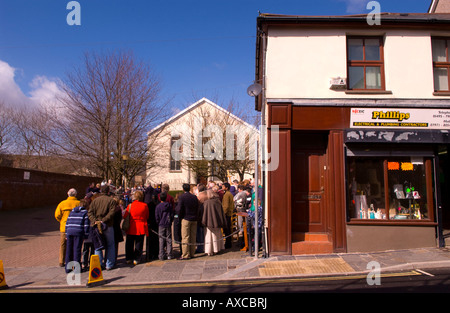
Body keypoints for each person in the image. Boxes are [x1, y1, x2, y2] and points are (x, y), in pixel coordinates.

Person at [88, 184, 117, 270]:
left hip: (96, 225)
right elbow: (112, 213)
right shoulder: (111, 201)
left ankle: (99, 264)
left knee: (98, 245)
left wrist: (95, 221)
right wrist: (103, 220)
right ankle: (109, 264)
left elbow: (90, 212)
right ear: (108, 191)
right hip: (107, 224)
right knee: (110, 244)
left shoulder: (95, 201)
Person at [55, 188, 80, 267]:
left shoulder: (62, 203)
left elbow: (57, 215)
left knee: (63, 244)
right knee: (74, 245)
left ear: (68, 194)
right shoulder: (78, 203)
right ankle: (72, 261)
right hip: (75, 226)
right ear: (75, 194)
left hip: (64, 227)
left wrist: (62, 221)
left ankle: (61, 261)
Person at [123, 190, 149, 265]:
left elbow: (125, 216)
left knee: (129, 244)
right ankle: (137, 258)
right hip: (141, 226)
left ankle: (129, 258)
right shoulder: (144, 205)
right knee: (139, 244)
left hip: (131, 226)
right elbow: (147, 216)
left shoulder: (130, 205)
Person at [64, 199, 90, 273]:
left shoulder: (72, 212)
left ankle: (68, 268)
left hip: (69, 231)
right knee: (77, 250)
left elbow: (67, 222)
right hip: (78, 232)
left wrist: (66, 233)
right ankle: (76, 268)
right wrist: (86, 235)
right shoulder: (85, 212)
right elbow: (86, 225)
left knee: (69, 250)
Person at [176, 183, 199, 260]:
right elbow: (197, 207)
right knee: (193, 236)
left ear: (183, 189)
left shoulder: (182, 197)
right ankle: (192, 253)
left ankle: (185, 254)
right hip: (194, 218)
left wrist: (179, 216)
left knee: (185, 237)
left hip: (186, 218)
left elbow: (179, 209)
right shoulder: (194, 197)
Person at [202, 189, 227, 256]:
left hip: (209, 222)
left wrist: (203, 221)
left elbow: (205, 213)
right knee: (217, 235)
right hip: (217, 222)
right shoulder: (218, 201)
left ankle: (210, 250)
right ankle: (217, 249)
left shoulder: (207, 202)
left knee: (209, 236)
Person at [155, 191, 174, 260]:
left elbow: (157, 216)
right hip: (168, 223)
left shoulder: (158, 206)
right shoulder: (169, 205)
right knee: (169, 239)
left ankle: (161, 255)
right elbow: (171, 214)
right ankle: (169, 254)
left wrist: (158, 222)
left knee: (161, 239)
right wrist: (171, 220)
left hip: (161, 224)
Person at [222, 182, 235, 249]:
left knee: (227, 230)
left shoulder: (227, 195)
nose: (222, 187)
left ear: (226, 188)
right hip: (229, 213)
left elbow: (226, 206)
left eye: (223, 186)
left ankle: (228, 243)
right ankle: (228, 243)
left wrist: (223, 214)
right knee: (228, 229)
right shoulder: (229, 194)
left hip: (227, 214)